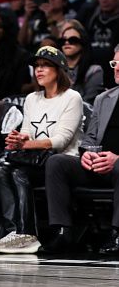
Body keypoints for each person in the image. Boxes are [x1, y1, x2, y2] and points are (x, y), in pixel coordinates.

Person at [0, 46, 82, 254]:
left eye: (45, 66)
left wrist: (26, 144)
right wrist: (18, 139)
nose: (38, 70)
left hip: (61, 163)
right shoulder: (32, 98)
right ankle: (20, 233)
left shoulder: (71, 97)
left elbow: (61, 141)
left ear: (58, 69)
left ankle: (25, 233)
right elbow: (27, 133)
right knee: (6, 168)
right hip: (36, 161)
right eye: (36, 66)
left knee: (12, 168)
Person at [44, 44, 119, 254]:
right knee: (57, 162)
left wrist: (116, 158)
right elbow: (90, 138)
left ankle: (117, 234)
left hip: (117, 166)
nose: (116, 69)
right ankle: (63, 231)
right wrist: (86, 155)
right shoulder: (103, 99)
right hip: (99, 164)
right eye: (114, 64)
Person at [58, 20, 104, 104]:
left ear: (83, 43)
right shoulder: (55, 69)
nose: (67, 42)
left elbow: (89, 105)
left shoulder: (94, 71)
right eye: (63, 40)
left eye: (73, 40)